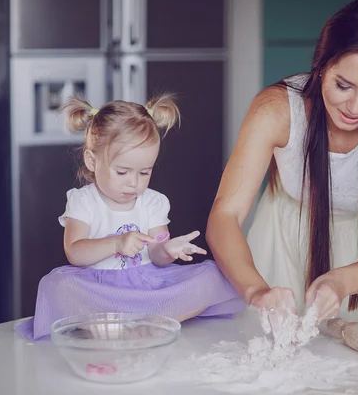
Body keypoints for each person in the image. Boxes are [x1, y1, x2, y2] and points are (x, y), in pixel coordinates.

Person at [206, 0, 358, 329]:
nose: (355, 107)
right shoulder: (277, 109)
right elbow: (225, 216)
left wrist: (342, 282)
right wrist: (257, 290)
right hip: (285, 246)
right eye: (343, 85)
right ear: (321, 65)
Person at [16, 94, 245, 340]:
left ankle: (146, 323)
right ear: (92, 161)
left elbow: (155, 256)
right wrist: (117, 243)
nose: (134, 183)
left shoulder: (154, 202)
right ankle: (125, 323)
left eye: (145, 172)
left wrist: (167, 250)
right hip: (101, 290)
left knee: (213, 274)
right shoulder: (83, 201)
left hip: (147, 286)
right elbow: (75, 253)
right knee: (56, 286)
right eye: (122, 171)